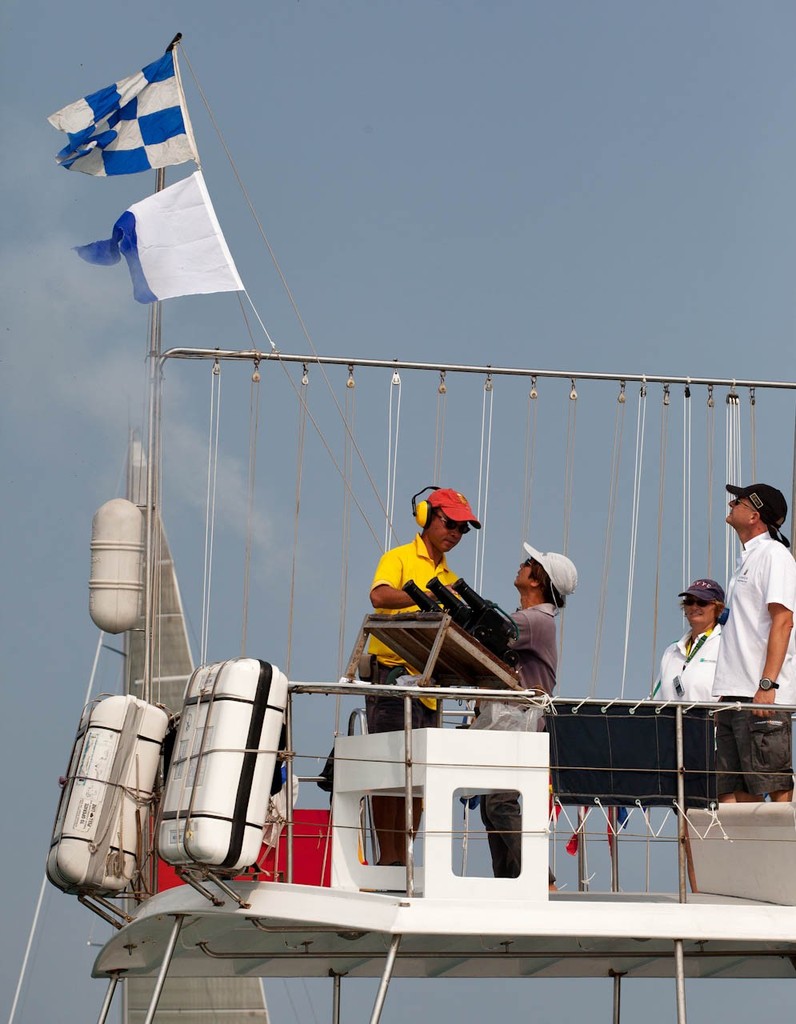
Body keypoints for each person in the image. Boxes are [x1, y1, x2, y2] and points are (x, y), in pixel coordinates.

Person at [366, 486, 481, 866]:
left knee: (418, 778)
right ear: (426, 517)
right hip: (392, 678)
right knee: (390, 769)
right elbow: (380, 598)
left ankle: (403, 860)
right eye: (451, 523)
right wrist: (428, 597)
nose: (455, 534)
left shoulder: (451, 575)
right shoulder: (398, 558)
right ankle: (389, 859)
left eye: (463, 529)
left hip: (428, 685)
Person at [478, 543, 577, 890]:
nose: (522, 565)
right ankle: (512, 882)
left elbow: (484, 635)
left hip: (521, 723)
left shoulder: (534, 620)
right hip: (511, 722)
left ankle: (541, 880)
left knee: (500, 804)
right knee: (493, 806)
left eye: (529, 563)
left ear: (539, 580)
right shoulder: (533, 619)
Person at [711, 483, 796, 803]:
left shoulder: (775, 556)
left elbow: (784, 620)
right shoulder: (749, 559)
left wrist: (767, 683)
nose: (731, 504)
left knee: (773, 783)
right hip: (734, 694)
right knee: (735, 790)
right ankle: (749, 853)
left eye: (740, 501)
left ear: (755, 515)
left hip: (760, 694)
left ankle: (784, 854)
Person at [655, 578, 725, 703]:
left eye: (702, 602)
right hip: (672, 721)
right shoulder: (672, 651)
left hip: (710, 721)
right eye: (689, 602)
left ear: (719, 608)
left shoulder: (726, 646)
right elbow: (656, 699)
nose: (694, 607)